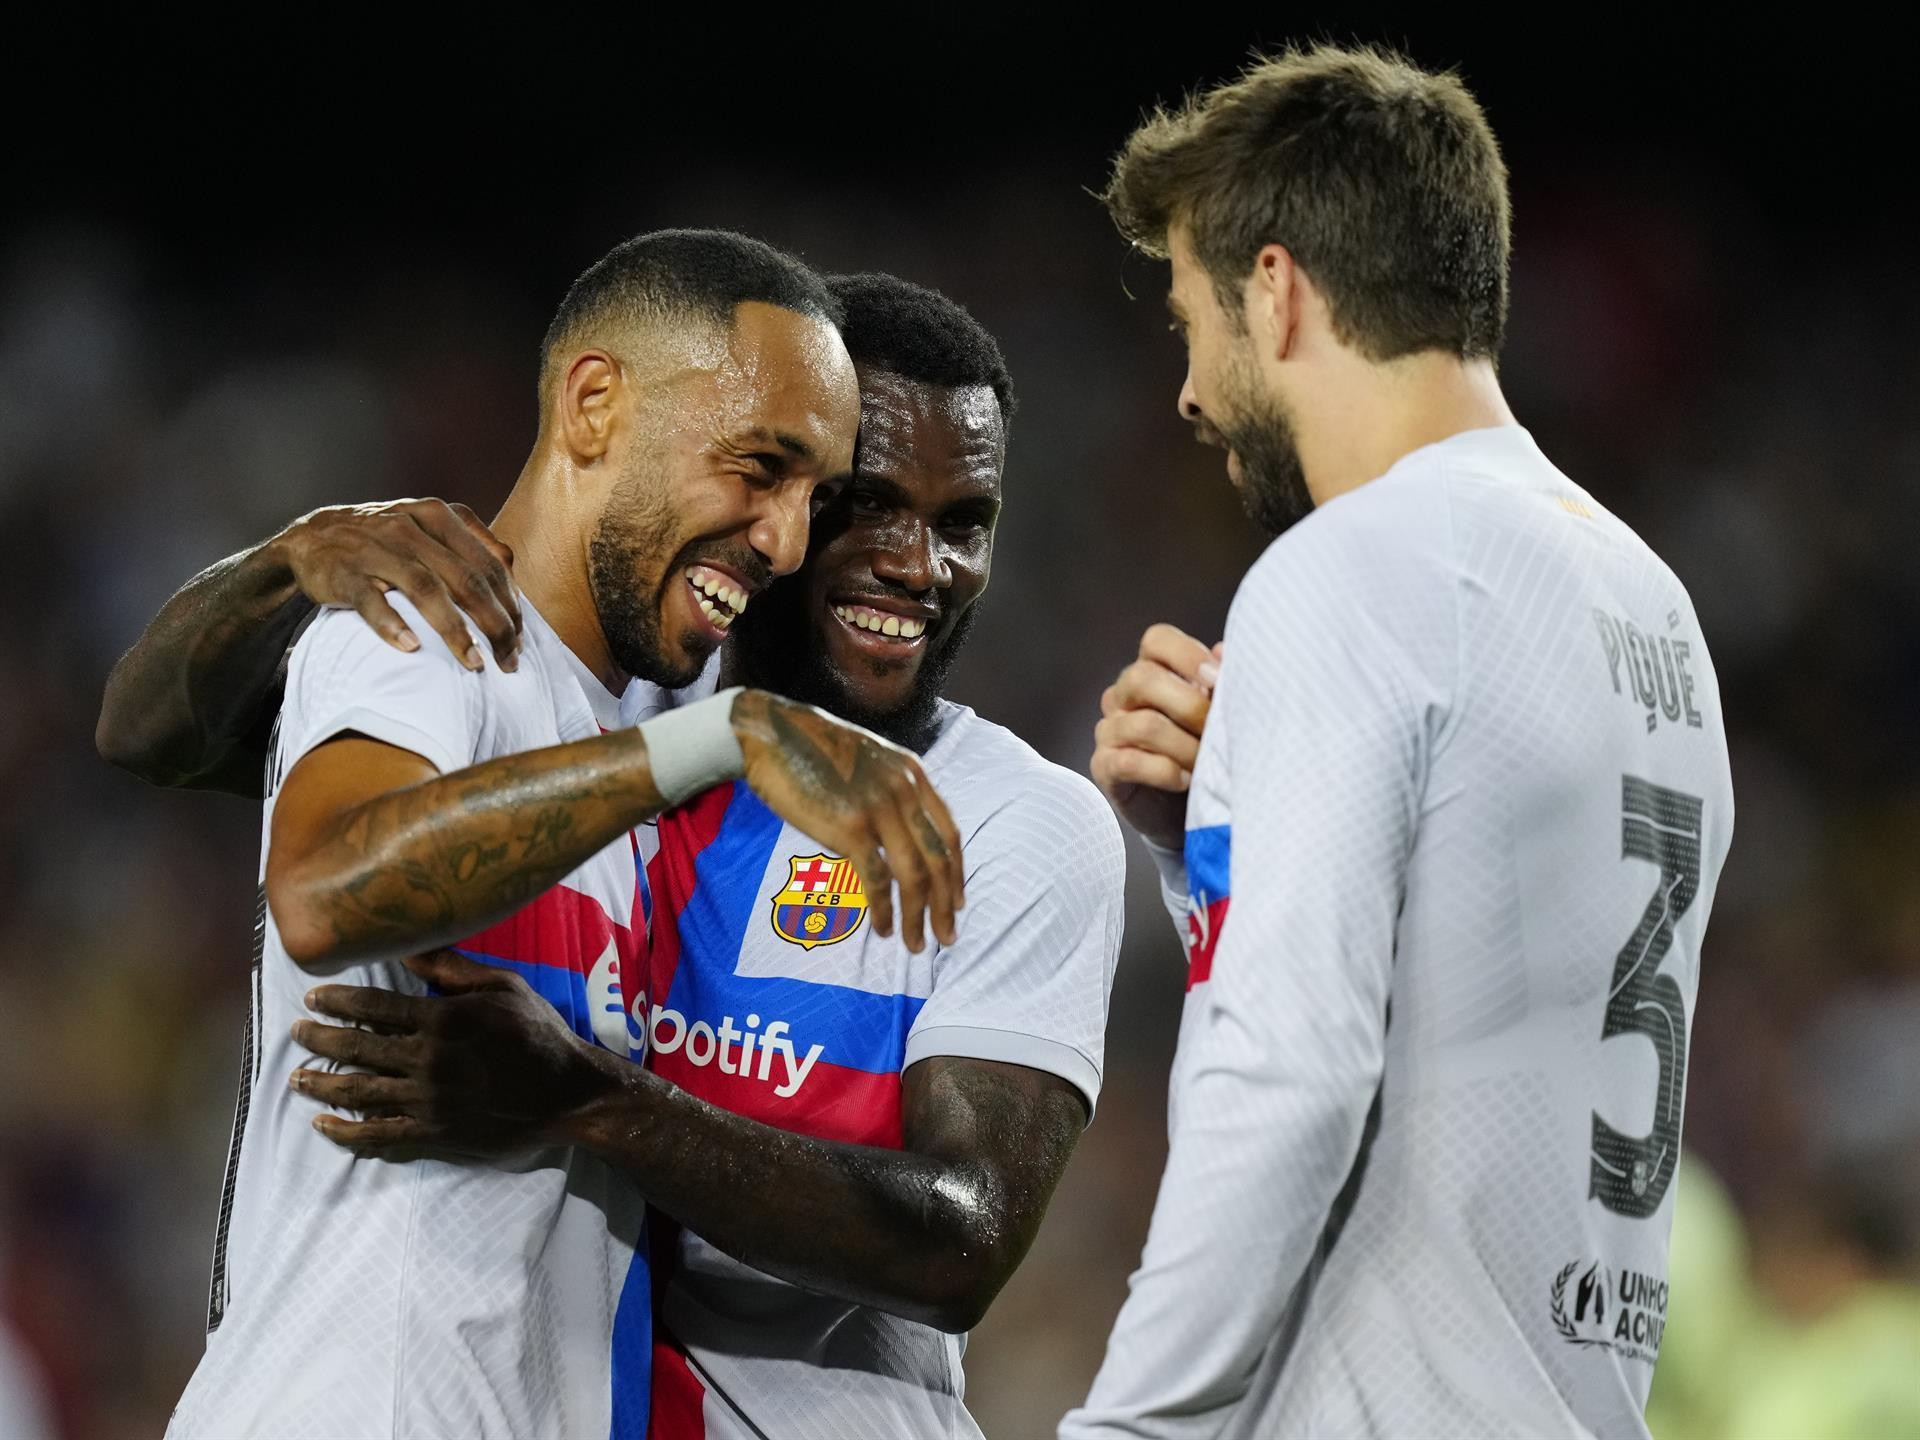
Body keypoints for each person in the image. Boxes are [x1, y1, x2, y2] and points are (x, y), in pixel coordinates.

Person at [104, 271, 1123, 1439]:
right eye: (851, 499)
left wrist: (592, 1101)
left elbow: (962, 1242)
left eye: (963, 526)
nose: (914, 564)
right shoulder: (588, 709)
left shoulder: (1012, 818)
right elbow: (166, 744)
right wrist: (294, 560)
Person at [1071, 45, 1735, 1438]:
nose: (1188, 393)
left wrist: (1130, 1425)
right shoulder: (1650, 602)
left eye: (1191, 319)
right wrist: (1209, 846)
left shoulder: (1354, 569)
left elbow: (1290, 1068)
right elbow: (1483, 987)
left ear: (1276, 287)